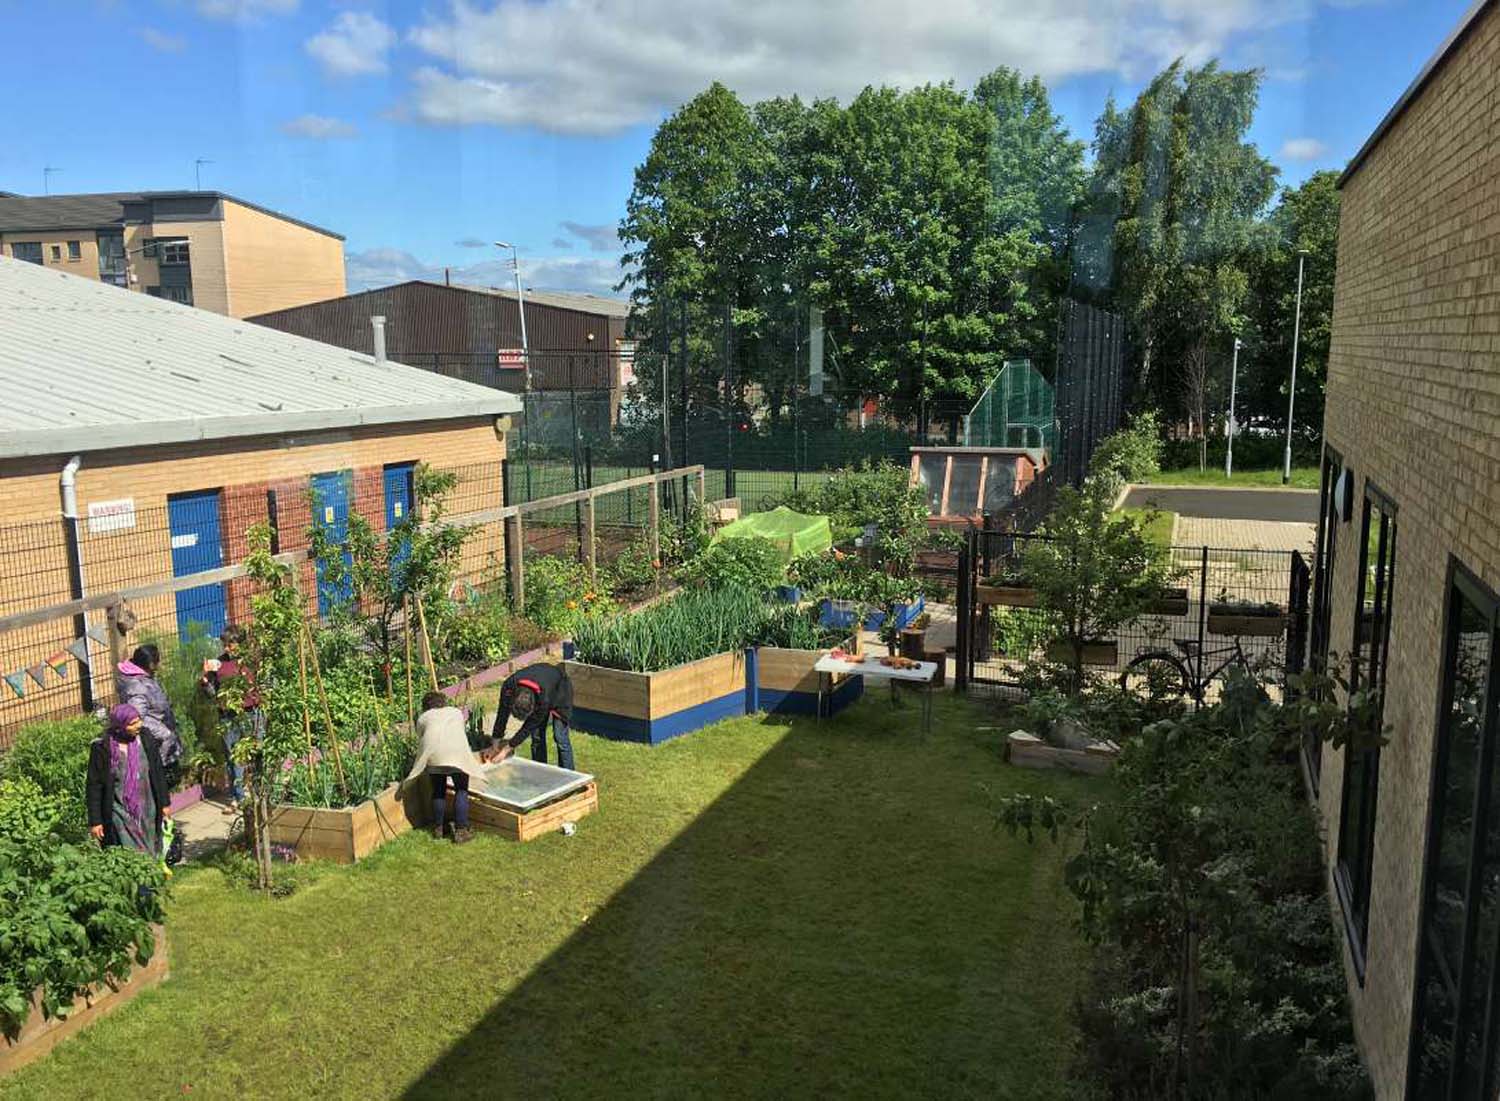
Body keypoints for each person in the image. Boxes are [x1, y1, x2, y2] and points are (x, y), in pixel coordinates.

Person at [400, 690, 489, 844]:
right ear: (443, 703)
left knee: (438, 790)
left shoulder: (422, 718)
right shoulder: (456, 713)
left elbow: (421, 736)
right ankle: (461, 830)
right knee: (461, 789)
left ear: (426, 707)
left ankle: (439, 828)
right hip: (457, 755)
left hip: (435, 757)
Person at [86, 704, 171, 856]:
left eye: (139, 720)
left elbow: (158, 772)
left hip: (148, 806)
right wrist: (95, 821)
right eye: (132, 723)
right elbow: (94, 786)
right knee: (129, 850)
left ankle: (151, 876)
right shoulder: (102, 748)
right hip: (120, 811)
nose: (139, 725)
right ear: (119, 727)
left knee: (150, 844)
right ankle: (137, 877)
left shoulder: (145, 738)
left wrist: (164, 803)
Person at [201, 624, 259, 813]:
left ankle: (259, 792)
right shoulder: (219, 664)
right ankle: (238, 797)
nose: (226, 648)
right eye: (224, 644)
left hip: (251, 712)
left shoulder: (252, 661)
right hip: (228, 716)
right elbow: (212, 694)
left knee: (256, 752)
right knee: (233, 756)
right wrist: (206, 682)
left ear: (239, 643)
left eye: (229, 644)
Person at [116, 643, 184, 786]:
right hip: (155, 746)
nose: (160, 664)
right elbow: (137, 718)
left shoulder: (145, 678)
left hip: (162, 744)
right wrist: (165, 733)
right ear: (151, 664)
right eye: (158, 660)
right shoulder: (136, 686)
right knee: (160, 789)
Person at [489, 663, 575, 770]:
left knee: (560, 738)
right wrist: (495, 745)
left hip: (561, 690)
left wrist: (506, 750)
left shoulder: (543, 700)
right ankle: (539, 770)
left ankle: (568, 774)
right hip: (544, 681)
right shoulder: (508, 687)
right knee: (537, 737)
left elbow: (527, 728)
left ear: (534, 706)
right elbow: (502, 715)